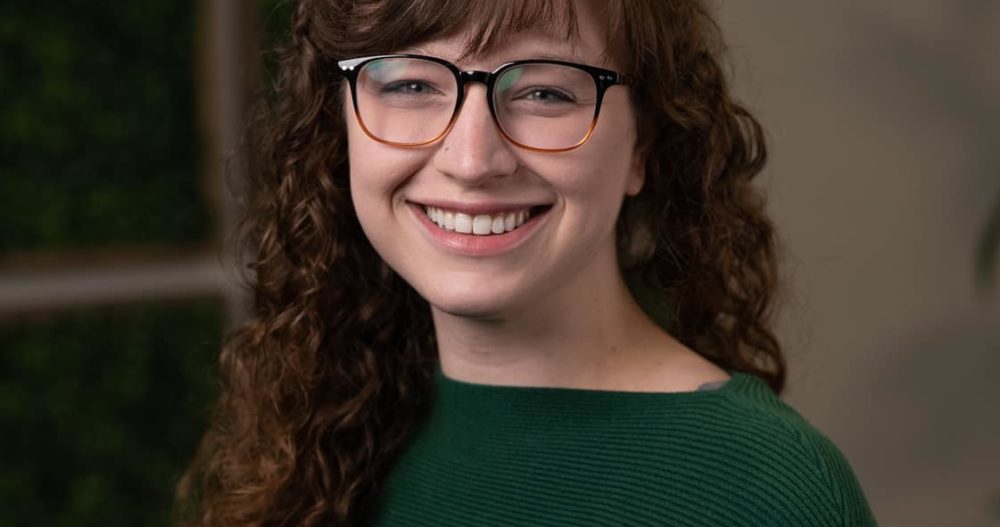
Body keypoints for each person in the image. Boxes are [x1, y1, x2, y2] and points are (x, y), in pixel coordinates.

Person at [177, 0, 878, 525]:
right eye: (411, 84)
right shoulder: (327, 430)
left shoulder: (766, 491)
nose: (472, 160)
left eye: (545, 91)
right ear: (340, 125)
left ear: (644, 146)